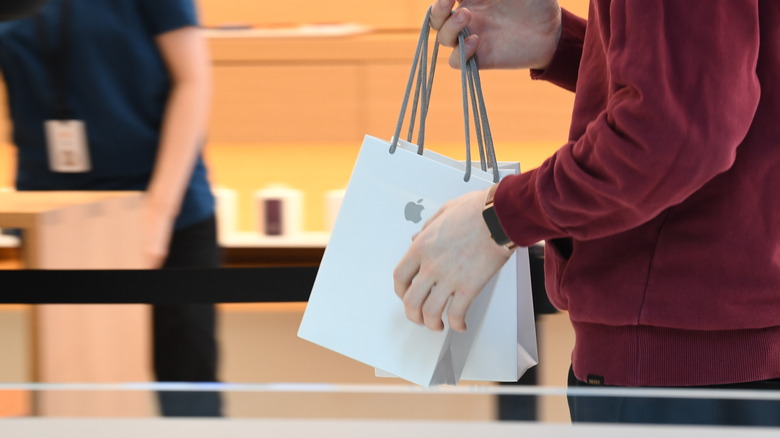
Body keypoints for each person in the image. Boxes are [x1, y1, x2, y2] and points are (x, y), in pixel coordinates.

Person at [394, 0, 780, 426]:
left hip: (673, 371)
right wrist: (563, 43)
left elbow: (675, 133)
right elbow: (711, 86)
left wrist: (499, 219)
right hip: (728, 346)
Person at [0, 0, 222, 416]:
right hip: (56, 219)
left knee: (187, 393)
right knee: (71, 388)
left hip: (164, 209)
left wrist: (157, 213)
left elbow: (193, 81)